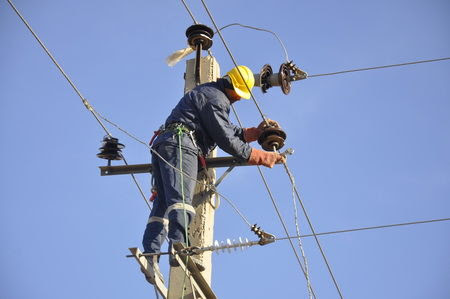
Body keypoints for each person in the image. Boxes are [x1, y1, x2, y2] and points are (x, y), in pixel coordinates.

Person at [142, 65, 284, 282]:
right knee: (181, 201)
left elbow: (222, 128)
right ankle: (179, 247)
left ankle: (151, 255)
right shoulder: (215, 99)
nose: (239, 99)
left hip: (167, 143)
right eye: (240, 94)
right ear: (234, 87)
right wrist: (261, 157)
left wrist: (254, 133)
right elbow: (225, 138)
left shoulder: (209, 92)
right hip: (182, 145)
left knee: (163, 203)